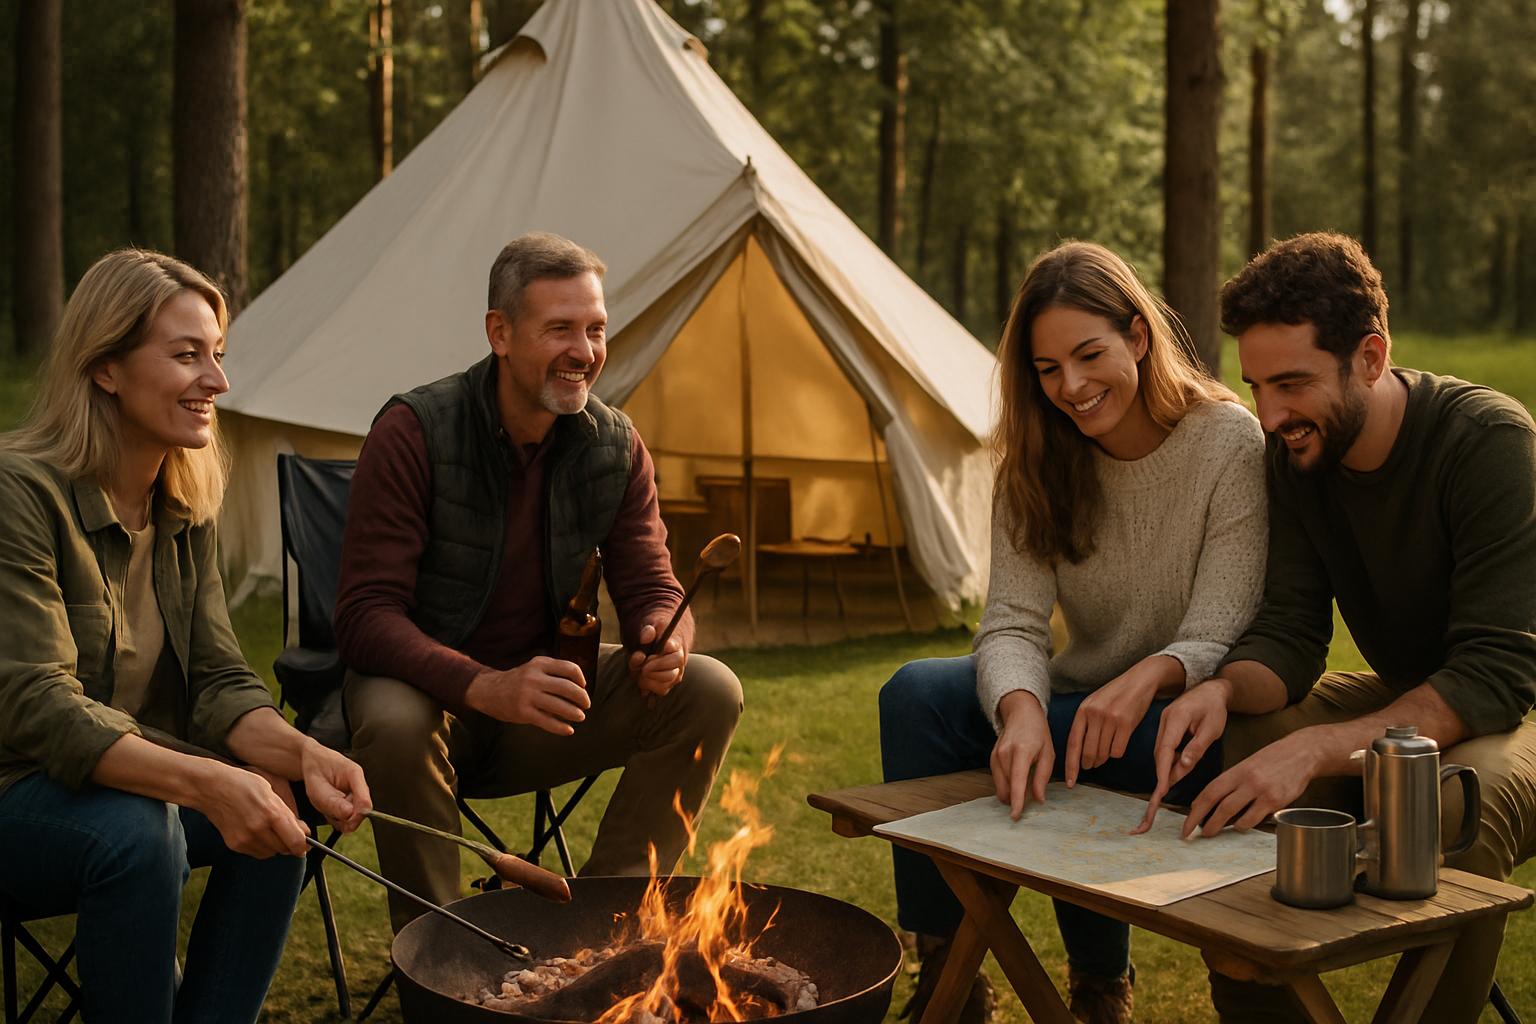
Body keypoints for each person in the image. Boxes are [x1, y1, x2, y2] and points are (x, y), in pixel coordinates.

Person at [1143, 232, 1536, 1023]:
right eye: (1256, 385)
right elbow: (1289, 633)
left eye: (1291, 383)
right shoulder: (1297, 457)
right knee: (1246, 740)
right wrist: (1219, 691)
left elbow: (1497, 673)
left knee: (1460, 799)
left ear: (1370, 356)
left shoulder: (1488, 442)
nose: (1270, 413)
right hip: (1411, 694)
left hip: (1518, 708)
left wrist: (1321, 746)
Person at [878, 240, 1267, 1024]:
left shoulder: (1227, 441)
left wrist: (1146, 677)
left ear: (1138, 335)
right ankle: (950, 968)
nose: (1072, 387)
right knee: (916, 693)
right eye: (1047, 370)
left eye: (1089, 355)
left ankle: (1098, 985)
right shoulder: (1033, 456)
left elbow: (1221, 623)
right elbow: (1013, 622)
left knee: (1091, 733)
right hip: (1077, 693)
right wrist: (1018, 710)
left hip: (1184, 710)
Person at [0, 249, 372, 1023]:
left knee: (279, 805)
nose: (218, 382)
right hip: (16, 792)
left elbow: (217, 680)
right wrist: (206, 780)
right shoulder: (19, 492)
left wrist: (302, 755)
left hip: (118, 787)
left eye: (218, 355)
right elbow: (39, 705)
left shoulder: (181, 498)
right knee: (141, 832)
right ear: (106, 367)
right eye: (186, 355)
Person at [335, 231, 744, 932]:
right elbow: (365, 617)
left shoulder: (614, 446)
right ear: (500, 332)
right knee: (399, 722)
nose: (584, 351)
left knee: (708, 688)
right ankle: (449, 969)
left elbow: (652, 582)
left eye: (595, 329)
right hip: (431, 712)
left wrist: (663, 635)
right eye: (560, 329)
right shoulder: (413, 431)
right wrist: (485, 685)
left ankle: (598, 938)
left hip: (547, 712)